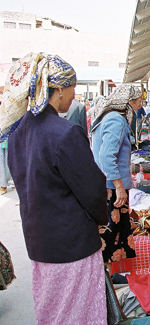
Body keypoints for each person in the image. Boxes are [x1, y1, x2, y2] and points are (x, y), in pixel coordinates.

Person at [0, 53, 108, 324]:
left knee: (52, 311)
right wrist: (101, 220)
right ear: (58, 89)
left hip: (39, 242)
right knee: (79, 313)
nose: (75, 95)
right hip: (73, 244)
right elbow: (93, 189)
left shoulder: (15, 133)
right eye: (72, 87)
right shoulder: (65, 132)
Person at [90, 84, 143, 270]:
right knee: (111, 235)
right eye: (139, 101)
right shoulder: (116, 120)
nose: (140, 105)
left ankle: (109, 277)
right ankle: (108, 281)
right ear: (129, 101)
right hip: (111, 187)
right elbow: (106, 156)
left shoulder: (106, 117)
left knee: (112, 234)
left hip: (107, 184)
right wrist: (119, 186)